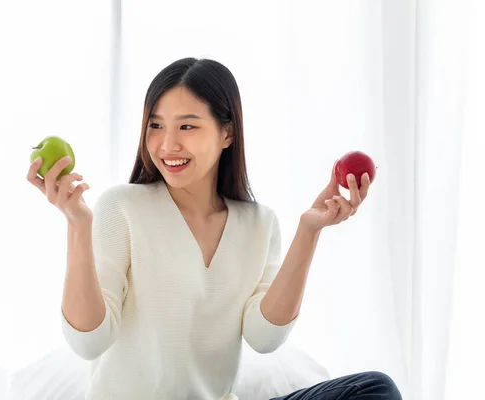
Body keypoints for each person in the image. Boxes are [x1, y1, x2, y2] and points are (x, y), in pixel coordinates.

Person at [26, 57, 402, 400]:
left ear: (227, 134)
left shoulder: (259, 224)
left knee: (375, 389)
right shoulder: (122, 206)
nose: (167, 144)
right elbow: (88, 341)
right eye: (155, 125)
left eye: (187, 125)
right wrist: (78, 224)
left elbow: (264, 337)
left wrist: (309, 231)